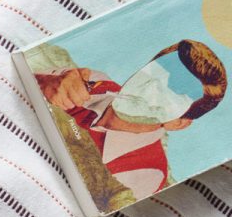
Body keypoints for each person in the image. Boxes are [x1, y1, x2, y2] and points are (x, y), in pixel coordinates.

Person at [38, 39, 227, 200]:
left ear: (178, 123)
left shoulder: (147, 174)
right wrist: (43, 82)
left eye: (171, 91)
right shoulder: (93, 80)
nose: (146, 88)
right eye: (156, 71)